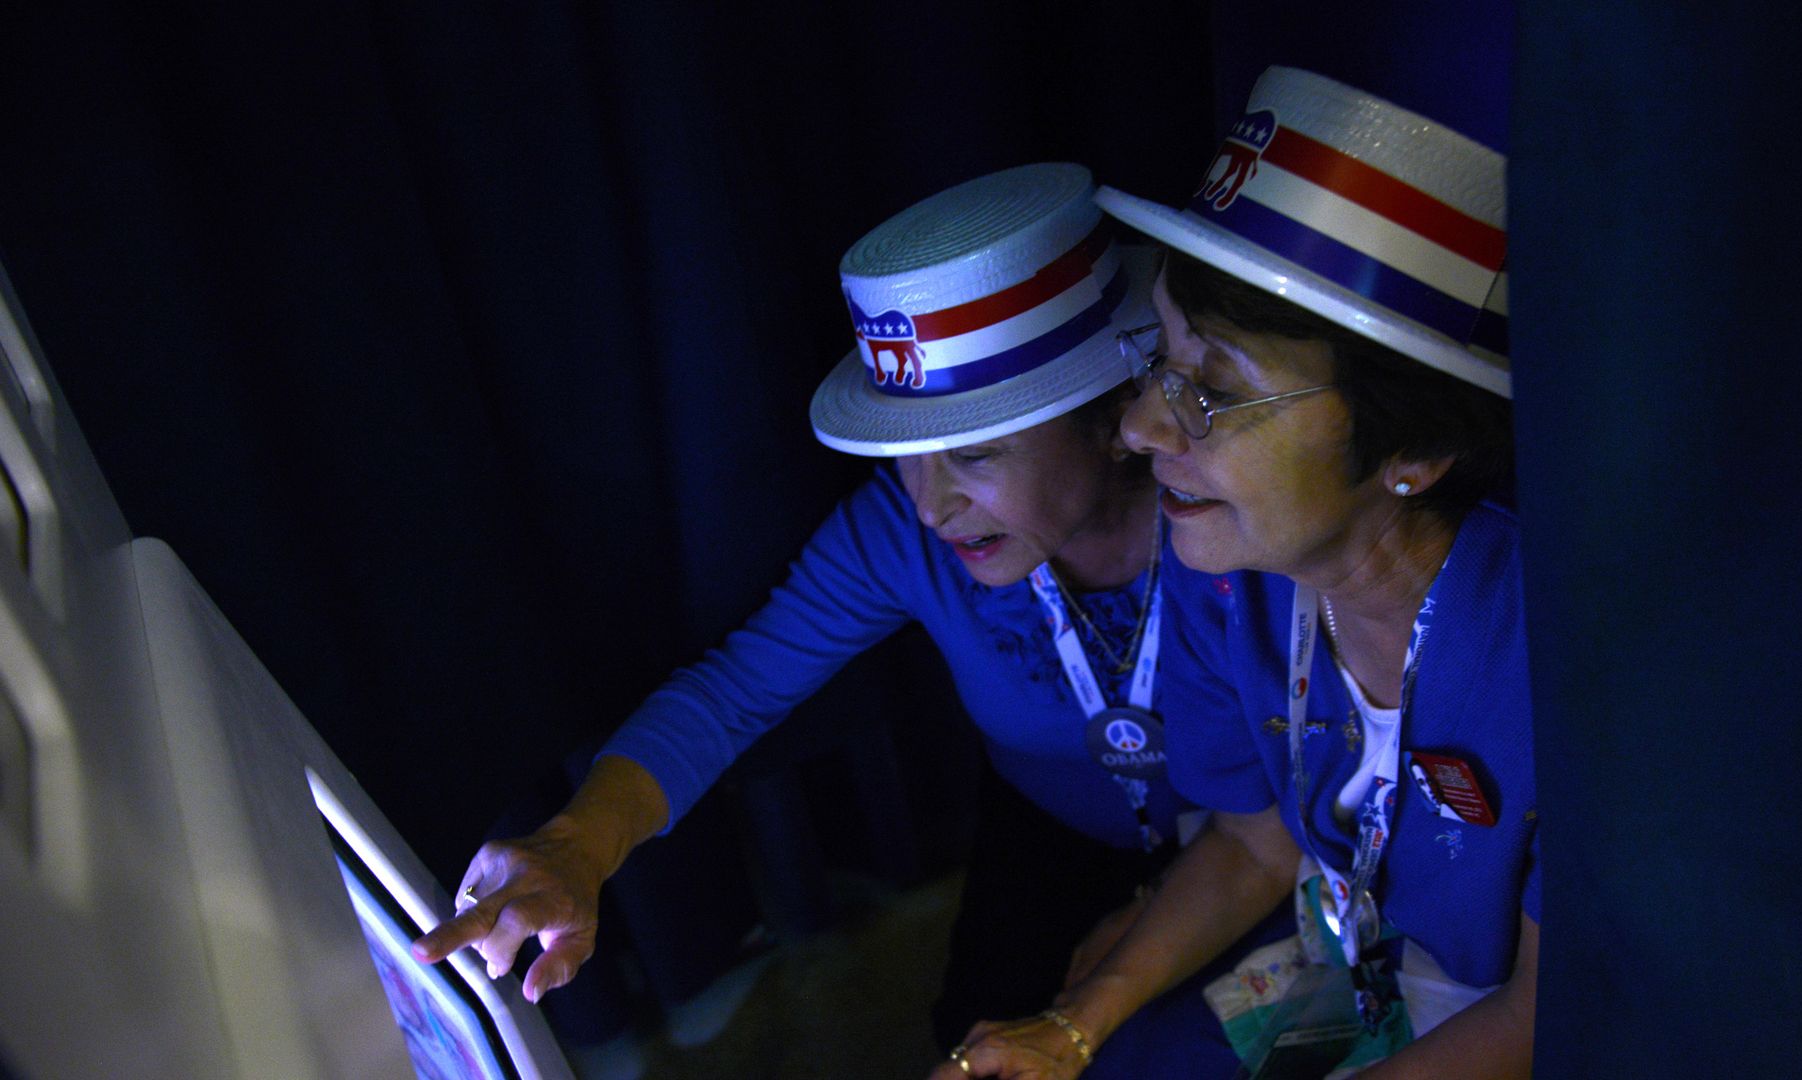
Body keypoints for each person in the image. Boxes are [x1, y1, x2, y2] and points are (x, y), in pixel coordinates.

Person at [410, 163, 1279, 1068]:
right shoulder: (900, 533)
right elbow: (734, 691)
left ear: (1113, 420)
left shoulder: (1238, 531)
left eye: (975, 455)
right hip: (1051, 829)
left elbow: (1278, 832)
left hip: (1262, 849)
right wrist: (577, 844)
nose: (932, 505)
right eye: (905, 452)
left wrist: (1102, 995)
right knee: (969, 1041)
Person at [934, 68, 1535, 1079]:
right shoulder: (1233, 577)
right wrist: (1078, 1024)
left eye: (1209, 391)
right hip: (1348, 957)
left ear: (1414, 450)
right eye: (1156, 364)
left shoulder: (1556, 657)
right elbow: (1260, 844)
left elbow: (1551, 1007)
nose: (1137, 426)